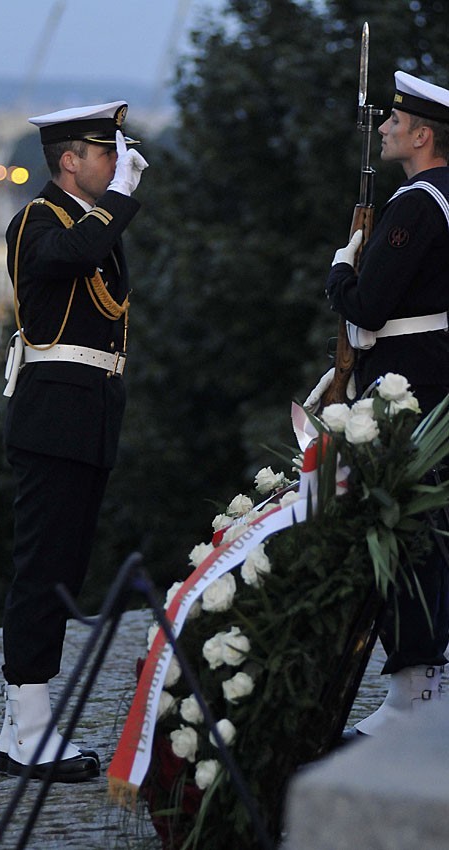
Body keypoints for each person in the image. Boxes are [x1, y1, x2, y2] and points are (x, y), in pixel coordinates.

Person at [0, 100, 148, 781]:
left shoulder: (90, 225)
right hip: (54, 412)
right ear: (69, 161)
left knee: (63, 569)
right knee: (42, 571)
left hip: (86, 412)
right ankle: (29, 734)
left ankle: (18, 727)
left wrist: (111, 203)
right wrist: (118, 200)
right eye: (105, 153)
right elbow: (76, 254)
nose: (117, 165)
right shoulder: (38, 219)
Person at [324, 71, 449, 736]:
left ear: (421, 135)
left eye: (392, 121)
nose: (381, 128)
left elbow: (368, 307)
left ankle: (413, 700)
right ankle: (419, 691)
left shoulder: (416, 204)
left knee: (406, 534)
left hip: (408, 384)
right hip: (433, 377)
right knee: (426, 533)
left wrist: (340, 271)